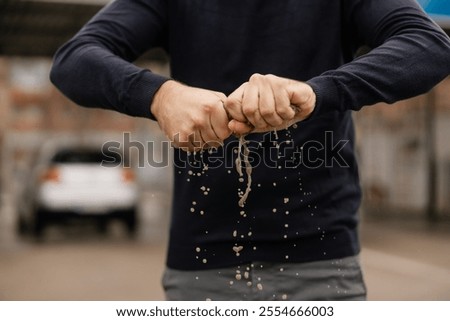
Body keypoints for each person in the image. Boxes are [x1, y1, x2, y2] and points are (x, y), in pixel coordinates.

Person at [50, 0, 450, 300]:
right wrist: (159, 95)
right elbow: (74, 59)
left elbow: (428, 45)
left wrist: (317, 91)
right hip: (201, 265)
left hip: (321, 263)